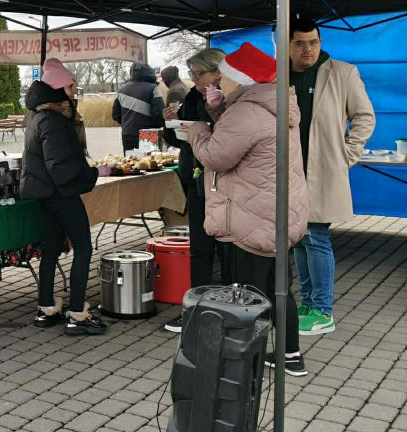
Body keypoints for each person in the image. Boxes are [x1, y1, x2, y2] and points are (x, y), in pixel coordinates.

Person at [185, 42, 310, 376]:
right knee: (278, 288)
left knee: (247, 293)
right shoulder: (274, 103)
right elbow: (244, 140)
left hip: (251, 216)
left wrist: (196, 130)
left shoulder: (247, 111)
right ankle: (290, 354)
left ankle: (244, 359)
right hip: (277, 213)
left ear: (238, 80)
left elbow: (216, 155)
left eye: (223, 78)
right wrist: (216, 113)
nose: (218, 83)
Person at [288, 13, 375, 337]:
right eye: (300, 44)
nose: (307, 49)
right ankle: (308, 303)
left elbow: (365, 117)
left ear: (320, 42)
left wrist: (347, 154)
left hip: (322, 172)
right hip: (289, 174)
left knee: (316, 237)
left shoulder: (342, 73)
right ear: (289, 45)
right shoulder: (280, 76)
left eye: (313, 43)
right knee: (298, 238)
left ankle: (323, 310)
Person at [20, 59, 110, 335]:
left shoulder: (36, 118)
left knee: (51, 250)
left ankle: (46, 308)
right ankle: (76, 314)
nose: (74, 92)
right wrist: (93, 174)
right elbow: (59, 166)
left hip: (45, 194)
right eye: (71, 87)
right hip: (62, 194)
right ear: (58, 92)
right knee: (83, 248)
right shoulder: (54, 122)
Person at [161, 48, 224, 333]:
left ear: (218, 72)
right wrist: (169, 125)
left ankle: (224, 309)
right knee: (199, 248)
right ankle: (196, 309)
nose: (195, 80)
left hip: (221, 182)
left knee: (224, 247)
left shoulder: (231, 98)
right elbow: (180, 141)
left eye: (200, 74)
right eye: (192, 74)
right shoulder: (192, 97)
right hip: (194, 178)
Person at [112, 62, 164, 152]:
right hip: (149, 134)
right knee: (150, 164)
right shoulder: (153, 88)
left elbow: (115, 115)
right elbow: (158, 114)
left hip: (127, 134)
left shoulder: (121, 90)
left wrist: (127, 123)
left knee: (129, 163)